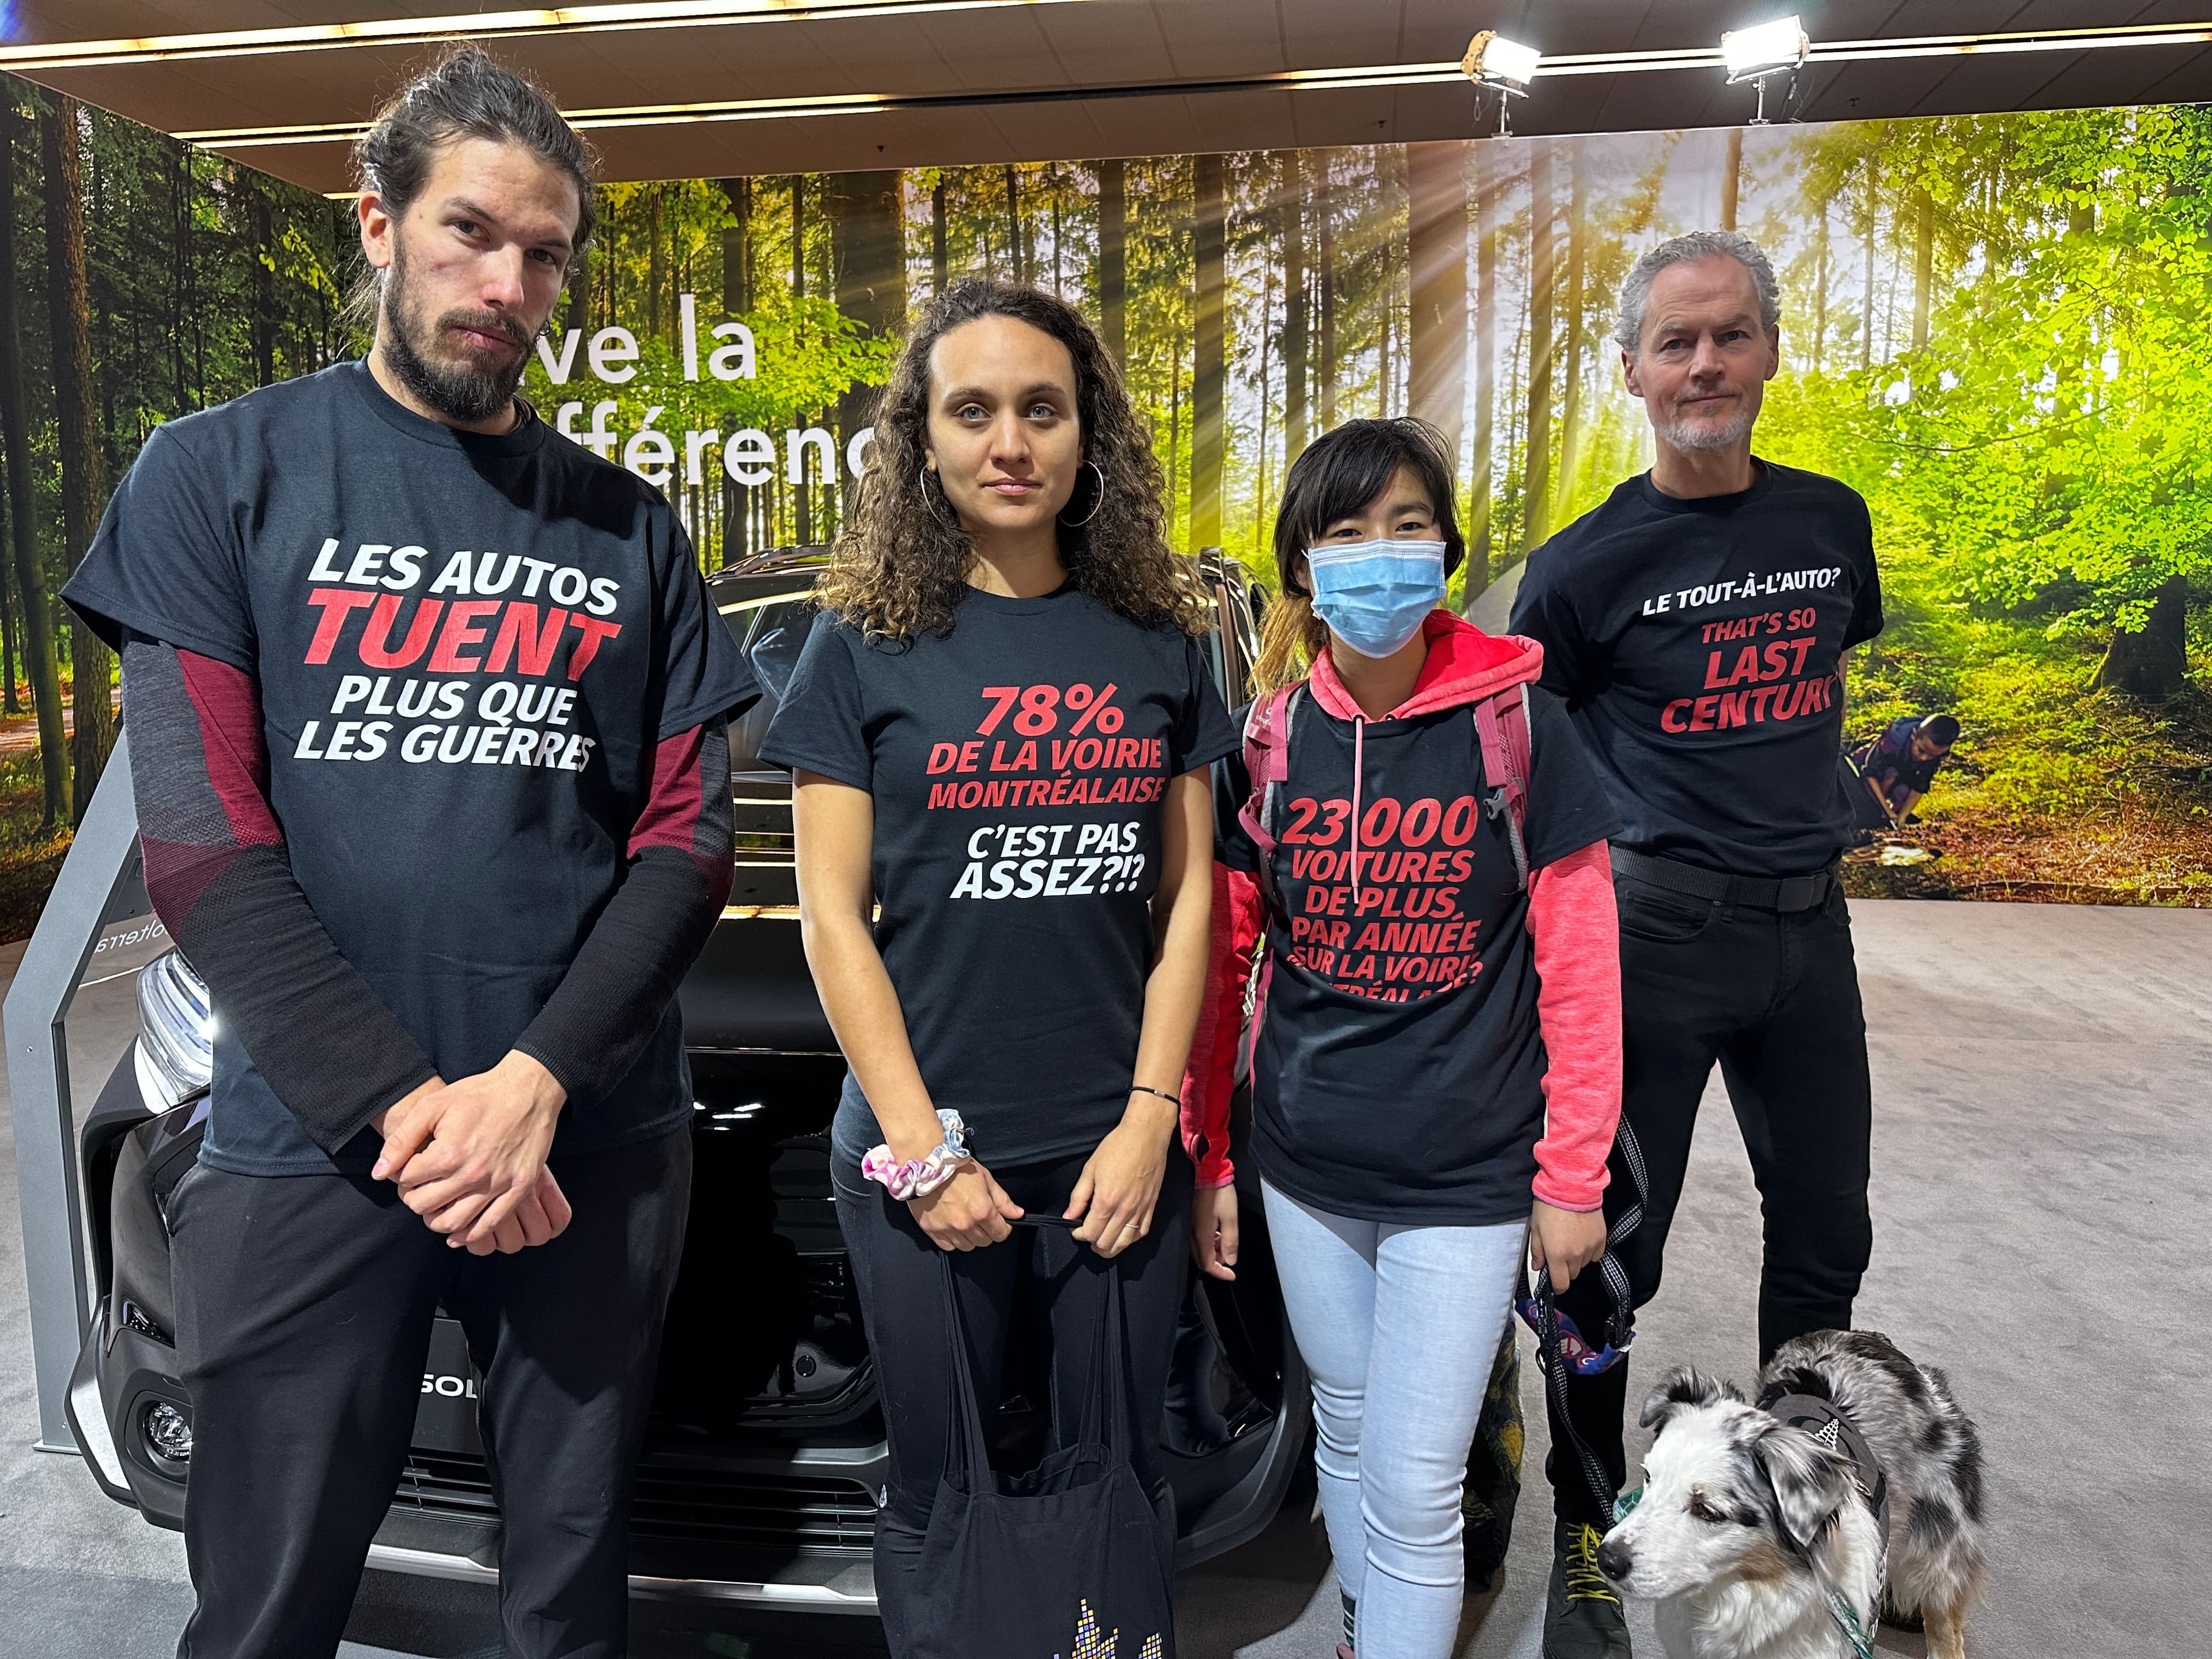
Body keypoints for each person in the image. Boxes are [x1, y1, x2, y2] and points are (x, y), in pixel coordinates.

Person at [59, 47, 757, 1659]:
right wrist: (409, 1112)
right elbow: (204, 844)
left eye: (543, 251)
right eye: (467, 233)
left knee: (570, 1607)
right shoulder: (219, 475)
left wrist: (533, 1091)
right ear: (376, 227)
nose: (504, 281)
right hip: (315, 1143)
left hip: (584, 1139)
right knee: (267, 1601)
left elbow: (683, 846)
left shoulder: (628, 529)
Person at [760, 278, 1236, 1654]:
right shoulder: (861, 648)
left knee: (1118, 1481)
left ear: (1091, 436)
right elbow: (829, 916)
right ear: (922, 440)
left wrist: (1153, 1121)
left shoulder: (1156, 636)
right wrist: (919, 1150)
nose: (1009, 441)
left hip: (1111, 1159)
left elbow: (1189, 889)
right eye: (972, 411)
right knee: (945, 1485)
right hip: (923, 1161)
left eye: (1043, 408)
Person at [1182, 418, 1624, 1659]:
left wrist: (1572, 1177)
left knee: (1422, 1484)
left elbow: (1583, 973)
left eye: (1407, 525)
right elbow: (1223, 971)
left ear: (1447, 549)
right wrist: (1214, 1157)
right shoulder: (1271, 741)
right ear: (1302, 567)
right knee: (1346, 1429)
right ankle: (1350, 1623)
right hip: (1308, 1164)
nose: (1379, 554)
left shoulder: (1521, 729)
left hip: (1468, 1175)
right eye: (1344, 531)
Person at [1508, 228, 1887, 1658]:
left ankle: (1791, 1514)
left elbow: (1821, 673)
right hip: (1652, 938)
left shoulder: (1826, 521)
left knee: (1823, 1246)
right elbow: (1537, 758)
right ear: (1631, 372)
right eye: (1675, 342)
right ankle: (1593, 1525)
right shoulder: (1581, 566)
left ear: (1769, 351)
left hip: (1808, 935)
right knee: (1605, 1261)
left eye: (1729, 335)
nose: (1704, 364)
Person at [1855, 711, 1958, 825]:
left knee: (1903, 791)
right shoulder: (1892, 743)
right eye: (1921, 751)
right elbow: (1870, 774)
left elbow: (1920, 787)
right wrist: (1886, 811)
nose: (1924, 758)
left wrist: (1903, 816)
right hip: (1860, 773)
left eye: (1932, 756)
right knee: (1891, 774)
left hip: (1899, 776)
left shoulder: (1933, 753)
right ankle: (1876, 812)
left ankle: (1893, 818)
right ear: (1914, 735)